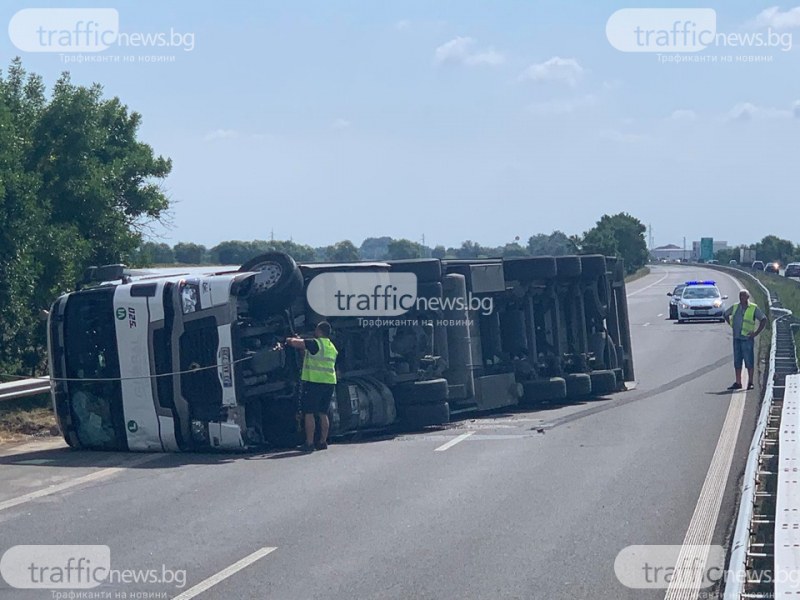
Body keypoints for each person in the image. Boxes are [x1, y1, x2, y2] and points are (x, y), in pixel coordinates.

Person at [285, 321, 338, 452]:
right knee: (323, 413)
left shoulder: (315, 343)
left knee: (309, 413)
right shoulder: (331, 347)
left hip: (315, 382)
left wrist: (288, 339)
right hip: (329, 382)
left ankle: (309, 443)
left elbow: (296, 344)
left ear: (319, 331)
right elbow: (308, 351)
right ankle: (323, 441)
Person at [723, 290, 767, 391]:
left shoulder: (753, 308)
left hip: (747, 339)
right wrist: (732, 325)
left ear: (747, 297)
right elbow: (725, 314)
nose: (741, 298)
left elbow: (763, 319)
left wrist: (756, 333)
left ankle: (750, 382)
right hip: (737, 338)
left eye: (743, 296)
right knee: (737, 361)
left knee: (749, 361)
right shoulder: (735, 307)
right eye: (740, 296)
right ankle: (738, 382)